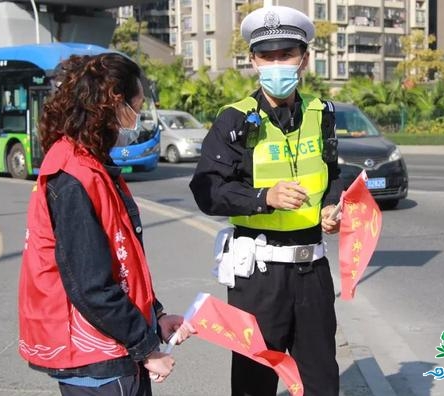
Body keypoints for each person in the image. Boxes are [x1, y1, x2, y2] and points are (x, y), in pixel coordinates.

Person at [189, 5, 345, 396]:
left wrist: (331, 205)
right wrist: (263, 198)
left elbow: (333, 173)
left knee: (321, 379)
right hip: (259, 275)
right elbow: (206, 189)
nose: (277, 64)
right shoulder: (234, 120)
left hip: (313, 271)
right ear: (254, 61)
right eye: (267, 56)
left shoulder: (320, 113)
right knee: (253, 382)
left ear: (304, 58)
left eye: (286, 55)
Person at [18, 53, 194, 396]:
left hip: (107, 347)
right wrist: (146, 347)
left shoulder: (89, 162)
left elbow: (121, 259)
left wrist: (155, 317)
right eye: (136, 107)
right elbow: (91, 285)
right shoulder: (74, 176)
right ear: (113, 104)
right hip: (98, 356)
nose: (135, 120)